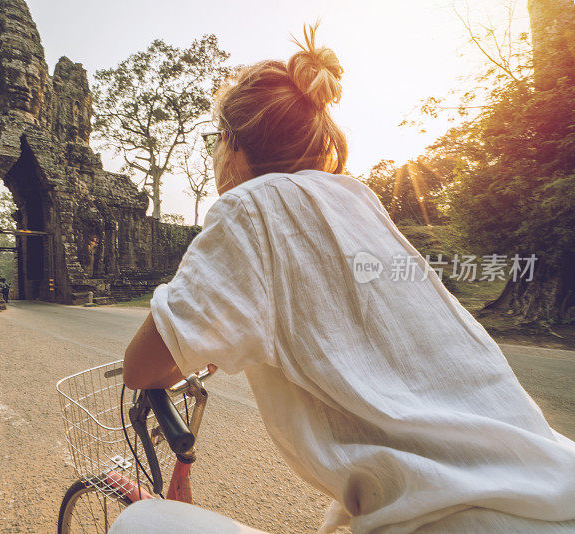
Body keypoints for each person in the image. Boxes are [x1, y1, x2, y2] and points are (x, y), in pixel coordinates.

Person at [117, 23, 575, 534]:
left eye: (215, 140)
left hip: (460, 523)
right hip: (556, 486)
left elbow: (140, 368)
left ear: (233, 143)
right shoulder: (359, 200)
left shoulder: (251, 208)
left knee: (140, 523)